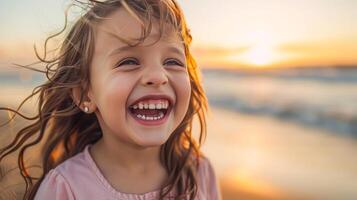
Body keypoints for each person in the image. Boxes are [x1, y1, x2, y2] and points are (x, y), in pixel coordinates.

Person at [0, 0, 222, 199]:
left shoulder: (199, 172)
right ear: (85, 94)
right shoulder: (66, 188)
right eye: (128, 61)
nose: (158, 76)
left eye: (172, 62)